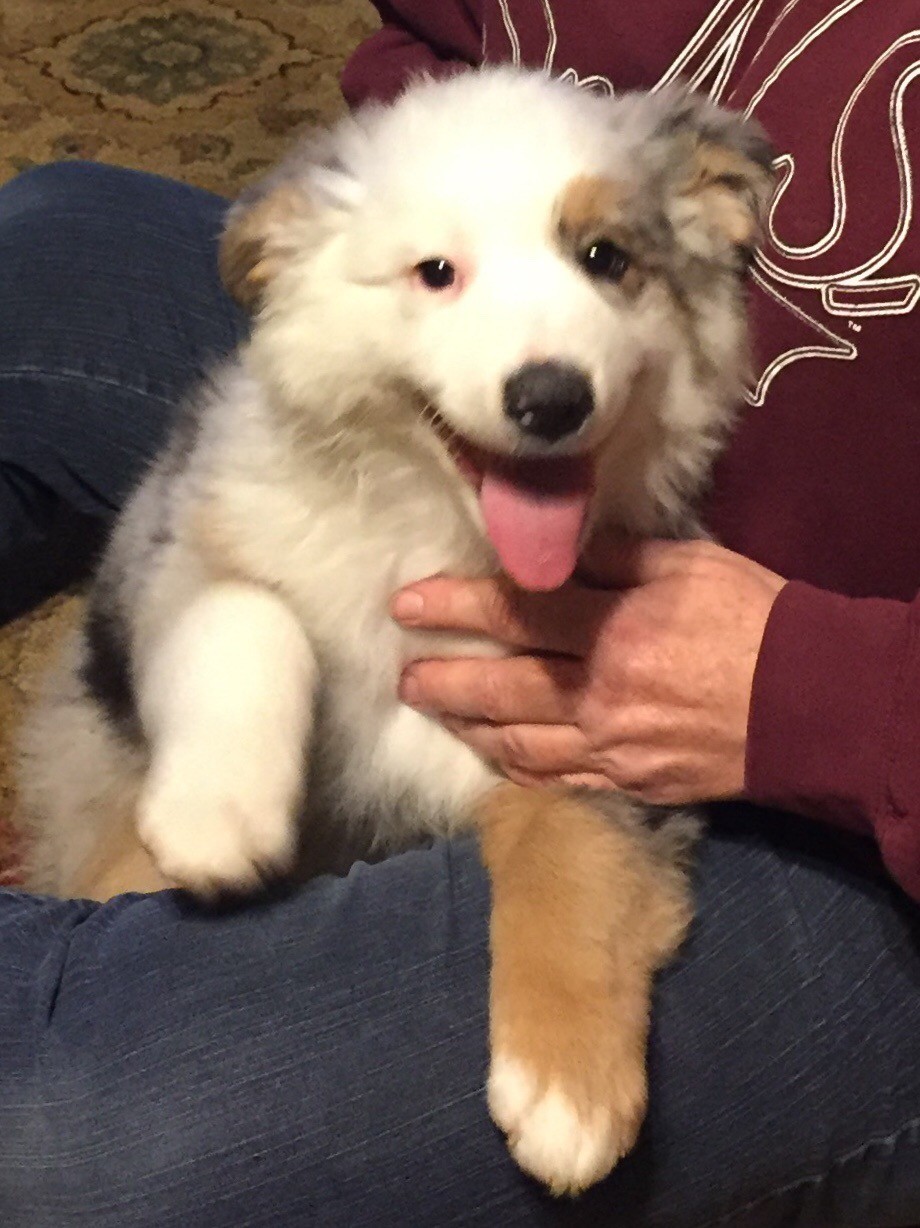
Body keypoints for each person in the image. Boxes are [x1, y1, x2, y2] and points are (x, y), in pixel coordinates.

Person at [0, 2, 918, 1224]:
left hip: (848, 780)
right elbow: (437, 48)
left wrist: (820, 691)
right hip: (438, 361)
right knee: (52, 242)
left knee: (59, 1124)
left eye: (603, 261)